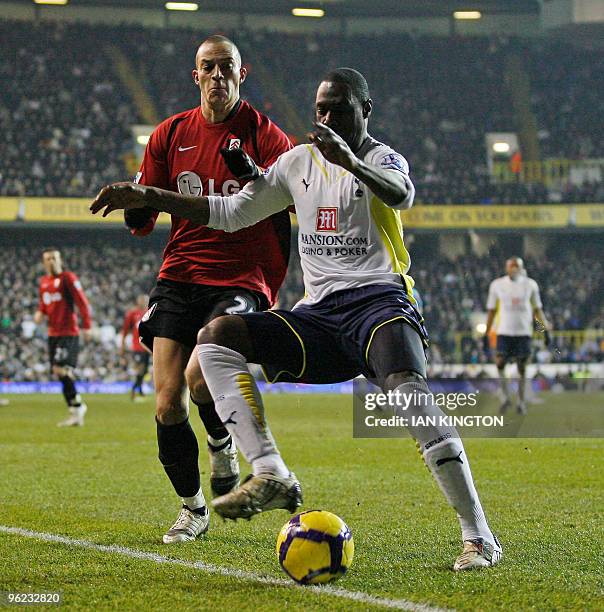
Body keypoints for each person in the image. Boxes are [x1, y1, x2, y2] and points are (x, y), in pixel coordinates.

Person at [91, 67, 502, 571]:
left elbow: (401, 195)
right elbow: (231, 211)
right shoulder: (296, 163)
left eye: (340, 109)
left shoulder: (380, 156)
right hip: (320, 315)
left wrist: (349, 160)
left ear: (365, 111)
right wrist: (152, 197)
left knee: (408, 394)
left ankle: (478, 536)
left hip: (380, 302)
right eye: (321, 110)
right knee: (216, 339)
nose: (327, 118)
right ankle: (271, 473)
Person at [120, 35, 292, 544]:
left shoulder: (264, 134)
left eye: (227, 68)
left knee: (202, 375)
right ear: (196, 76)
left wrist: (260, 178)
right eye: (209, 68)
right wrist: (133, 201)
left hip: (243, 275)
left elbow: (294, 195)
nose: (218, 76)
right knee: (168, 403)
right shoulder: (170, 134)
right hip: (180, 274)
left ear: (244, 74)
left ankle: (221, 442)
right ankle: (193, 508)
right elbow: (144, 218)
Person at [34, 248, 92, 427]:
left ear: (59, 260)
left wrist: (87, 326)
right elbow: (44, 304)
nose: (51, 261)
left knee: (60, 370)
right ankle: (76, 409)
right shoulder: (44, 282)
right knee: (60, 372)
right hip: (53, 333)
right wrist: (39, 313)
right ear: (44, 262)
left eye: (54, 258)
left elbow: (82, 302)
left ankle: (78, 406)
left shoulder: (68, 278)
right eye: (48, 259)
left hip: (68, 332)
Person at [484, 257, 549, 414]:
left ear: (521, 268)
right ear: (506, 268)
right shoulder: (497, 285)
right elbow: (491, 311)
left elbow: (537, 310)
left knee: (522, 368)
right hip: (504, 332)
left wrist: (544, 330)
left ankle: (520, 402)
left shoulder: (530, 285)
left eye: (516, 266)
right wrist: (486, 332)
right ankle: (506, 398)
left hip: (523, 333)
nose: (513, 268)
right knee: (500, 363)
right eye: (511, 266)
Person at [121, 294, 151, 401]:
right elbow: (125, 330)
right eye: (141, 300)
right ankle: (135, 390)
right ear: (138, 301)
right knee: (141, 369)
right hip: (137, 347)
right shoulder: (132, 313)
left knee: (145, 370)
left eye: (145, 300)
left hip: (148, 347)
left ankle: (140, 391)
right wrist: (123, 346)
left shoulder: (150, 312)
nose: (143, 302)